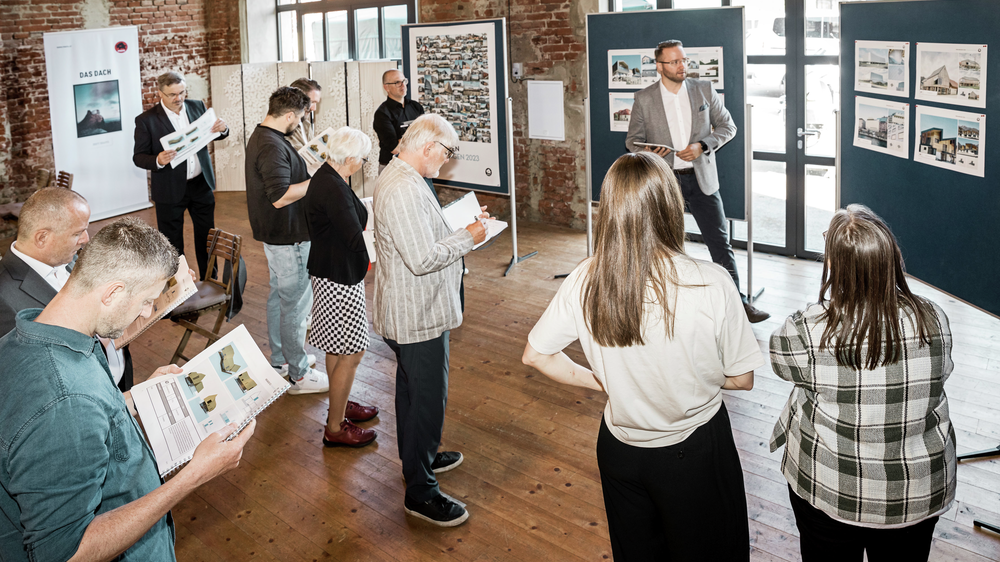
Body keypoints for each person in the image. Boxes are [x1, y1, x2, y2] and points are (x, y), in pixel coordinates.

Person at [523, 152, 763, 561]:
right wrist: (696, 374)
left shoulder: (584, 277)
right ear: (671, 204)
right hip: (694, 453)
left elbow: (536, 355)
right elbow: (741, 379)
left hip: (620, 451)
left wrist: (603, 380)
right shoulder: (711, 282)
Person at [0, 217, 254, 561]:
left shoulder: (34, 334)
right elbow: (67, 553)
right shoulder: (65, 402)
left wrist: (135, 396)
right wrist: (192, 477)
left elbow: (71, 423)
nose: (149, 311)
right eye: (148, 300)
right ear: (113, 292)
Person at [769, 204, 956, 562]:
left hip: (831, 489)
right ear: (891, 258)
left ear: (833, 266)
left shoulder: (807, 329)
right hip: (916, 494)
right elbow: (941, 372)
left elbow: (782, 366)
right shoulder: (933, 316)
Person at [373, 114, 487, 527]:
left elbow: (422, 233)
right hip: (415, 313)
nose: (447, 160)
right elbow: (422, 259)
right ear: (427, 148)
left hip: (415, 309)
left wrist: (461, 224)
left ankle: (419, 457)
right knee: (426, 399)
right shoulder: (403, 187)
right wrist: (469, 237)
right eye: (447, 152)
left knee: (412, 393)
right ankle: (420, 492)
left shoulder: (406, 175)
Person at [625, 39, 770, 324]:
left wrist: (703, 145)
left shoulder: (704, 90)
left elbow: (729, 126)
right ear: (659, 65)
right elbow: (632, 141)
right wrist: (650, 151)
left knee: (719, 243)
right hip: (665, 182)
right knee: (664, 244)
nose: (682, 66)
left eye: (684, 60)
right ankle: (663, 306)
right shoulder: (644, 98)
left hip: (702, 179)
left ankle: (738, 304)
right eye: (675, 61)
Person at [0, 187, 135, 392]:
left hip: (118, 382)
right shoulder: (5, 298)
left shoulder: (67, 257)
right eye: (77, 233)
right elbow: (28, 379)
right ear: (42, 238)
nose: (86, 239)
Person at [302, 126, 380, 448]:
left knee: (337, 345)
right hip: (339, 277)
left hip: (329, 271)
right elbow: (354, 237)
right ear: (348, 158)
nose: (363, 163)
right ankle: (335, 428)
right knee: (353, 350)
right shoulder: (332, 187)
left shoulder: (327, 176)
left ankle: (340, 401)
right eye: (362, 158)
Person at [245, 86, 326, 395]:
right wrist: (320, 178)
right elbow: (279, 197)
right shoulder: (272, 145)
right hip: (288, 237)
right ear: (290, 115)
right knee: (295, 306)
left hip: (279, 235)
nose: (301, 124)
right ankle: (299, 375)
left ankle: (282, 360)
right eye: (301, 117)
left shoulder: (265, 137)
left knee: (281, 298)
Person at [133, 71, 229, 279]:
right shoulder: (146, 120)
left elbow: (213, 133)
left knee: (207, 236)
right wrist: (158, 159)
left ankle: (210, 280)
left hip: (201, 184)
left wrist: (223, 129)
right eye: (172, 95)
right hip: (169, 189)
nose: (178, 98)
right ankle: (180, 284)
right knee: (172, 241)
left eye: (182, 92)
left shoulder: (197, 106)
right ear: (160, 93)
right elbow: (138, 157)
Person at [373, 69, 425, 173]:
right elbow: (395, 149)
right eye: (397, 82)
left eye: (404, 81)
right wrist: (416, 137)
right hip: (392, 167)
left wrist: (403, 139)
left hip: (417, 165)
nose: (403, 85)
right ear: (386, 87)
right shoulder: (382, 113)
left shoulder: (416, 107)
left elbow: (426, 137)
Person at [287, 78, 322, 151]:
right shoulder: (285, 127)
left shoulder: (306, 124)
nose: (314, 108)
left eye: (316, 103)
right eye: (312, 102)